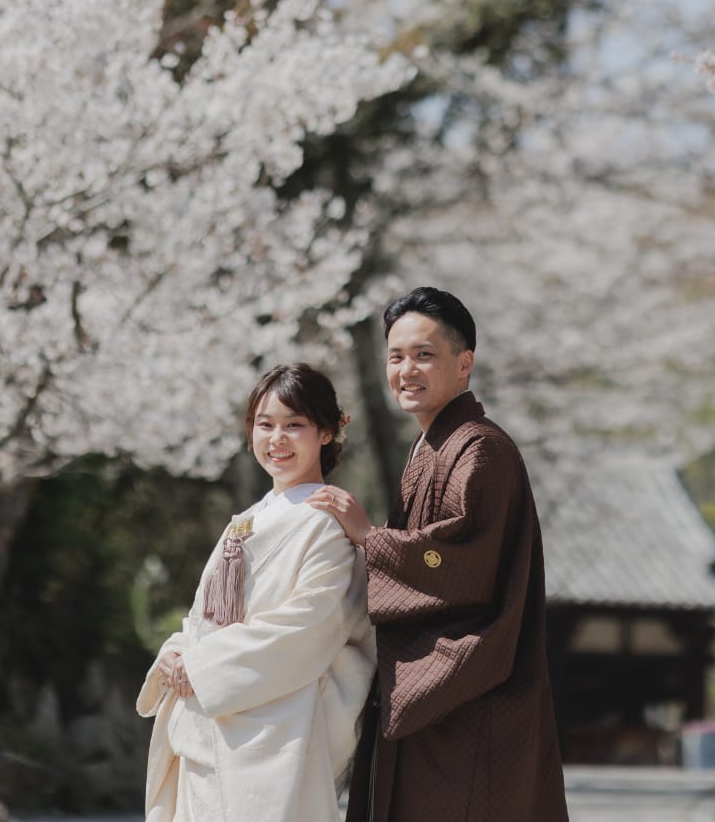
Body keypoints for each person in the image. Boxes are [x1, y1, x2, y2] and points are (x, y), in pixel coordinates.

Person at [307, 287, 569, 822]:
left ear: (464, 363)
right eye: (396, 356)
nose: (407, 370)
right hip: (444, 700)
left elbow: (462, 562)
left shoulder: (481, 449)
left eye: (425, 354)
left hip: (472, 700)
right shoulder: (430, 447)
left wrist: (370, 538)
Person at [136, 363, 376, 822]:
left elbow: (311, 625)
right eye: (265, 425)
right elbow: (202, 618)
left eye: (295, 425)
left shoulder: (327, 523)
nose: (277, 439)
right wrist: (174, 655)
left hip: (276, 731)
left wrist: (202, 666)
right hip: (210, 717)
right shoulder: (244, 522)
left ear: (326, 432)